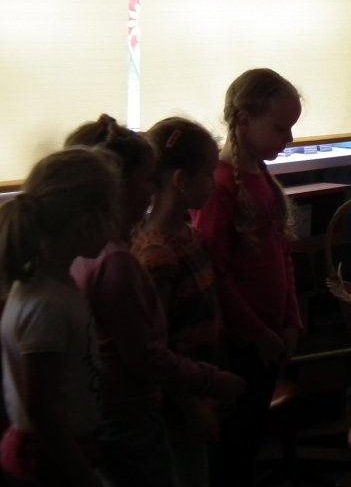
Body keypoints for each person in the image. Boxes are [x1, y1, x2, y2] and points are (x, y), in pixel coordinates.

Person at [66, 116, 243, 487]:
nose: (152, 189)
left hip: (154, 404)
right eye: (148, 180)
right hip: (147, 411)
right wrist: (204, 391)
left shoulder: (131, 248)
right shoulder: (133, 258)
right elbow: (151, 352)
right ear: (119, 188)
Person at [194, 68, 303, 485]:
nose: (289, 138)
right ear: (243, 121)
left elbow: (282, 255)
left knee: (249, 439)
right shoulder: (220, 186)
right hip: (240, 341)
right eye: (280, 128)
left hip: (270, 334)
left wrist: (291, 318)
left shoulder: (261, 178)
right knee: (233, 446)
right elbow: (216, 273)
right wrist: (257, 333)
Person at [0, 148, 119, 487]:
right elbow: (42, 409)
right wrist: (83, 475)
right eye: (113, 212)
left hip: (62, 450)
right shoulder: (46, 306)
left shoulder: (56, 286)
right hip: (49, 459)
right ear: (88, 223)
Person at [134, 117, 226, 487]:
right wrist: (192, 406)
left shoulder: (189, 236)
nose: (214, 183)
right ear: (181, 180)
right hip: (177, 406)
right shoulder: (158, 255)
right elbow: (157, 346)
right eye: (208, 174)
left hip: (199, 387)